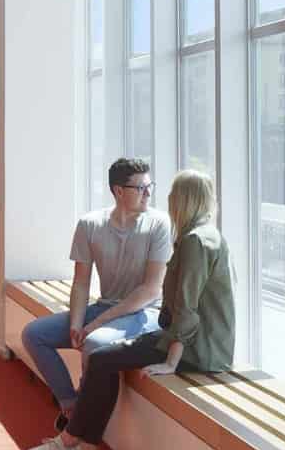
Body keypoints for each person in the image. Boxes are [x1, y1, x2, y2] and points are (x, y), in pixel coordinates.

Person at [32, 169, 235, 450]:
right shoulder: (202, 235)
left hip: (196, 349)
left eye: (171, 195)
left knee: (101, 358)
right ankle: (82, 448)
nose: (164, 199)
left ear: (183, 200)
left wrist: (171, 362)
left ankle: (75, 443)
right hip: (190, 340)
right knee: (101, 358)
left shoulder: (195, 241)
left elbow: (187, 308)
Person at [20, 157, 172, 433]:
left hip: (144, 313)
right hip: (105, 308)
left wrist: (95, 324)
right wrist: (76, 323)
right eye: (141, 188)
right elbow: (81, 283)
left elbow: (150, 289)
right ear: (118, 191)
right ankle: (71, 406)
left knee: (95, 342)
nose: (148, 193)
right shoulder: (90, 224)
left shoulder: (159, 224)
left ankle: (80, 430)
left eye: (150, 187)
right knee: (34, 334)